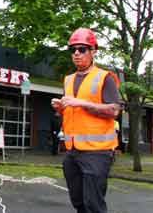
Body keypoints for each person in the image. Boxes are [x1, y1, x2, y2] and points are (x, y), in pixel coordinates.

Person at [51, 28, 121, 213]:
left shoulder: (104, 77)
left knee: (93, 205)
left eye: (82, 49)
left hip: (97, 153)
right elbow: (72, 112)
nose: (76, 53)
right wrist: (61, 108)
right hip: (73, 152)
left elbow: (114, 110)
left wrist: (80, 103)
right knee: (79, 202)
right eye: (73, 50)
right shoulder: (68, 80)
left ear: (93, 51)